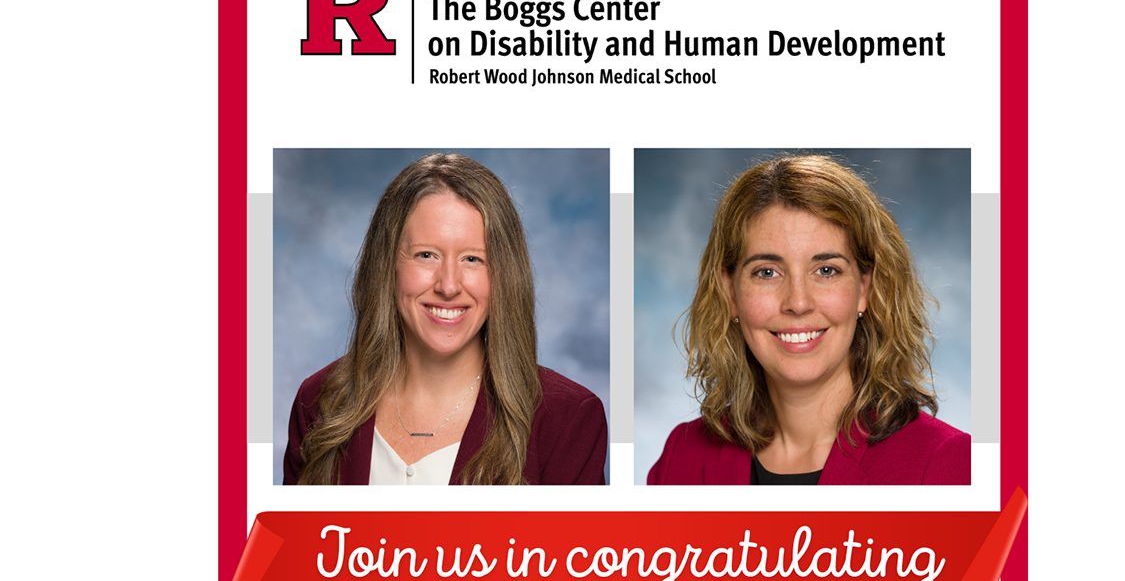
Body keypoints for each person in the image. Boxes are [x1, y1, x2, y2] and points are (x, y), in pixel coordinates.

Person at [284, 153, 607, 485]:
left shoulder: (567, 420)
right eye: (426, 255)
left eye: (472, 259)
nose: (449, 285)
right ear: (387, 265)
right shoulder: (319, 402)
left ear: (503, 275)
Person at [648, 155, 968, 485]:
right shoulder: (681, 457)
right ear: (730, 293)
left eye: (826, 271)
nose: (798, 303)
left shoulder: (949, 463)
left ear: (864, 289)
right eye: (767, 272)